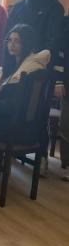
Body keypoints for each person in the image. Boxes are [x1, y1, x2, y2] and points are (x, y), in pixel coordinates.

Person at [5, 0, 64, 174]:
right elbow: (7, 35)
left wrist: (35, 62)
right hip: (14, 66)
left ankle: (41, 156)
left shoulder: (55, 8)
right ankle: (9, 147)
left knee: (37, 111)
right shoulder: (19, 6)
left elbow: (52, 42)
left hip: (39, 69)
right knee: (12, 106)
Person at [0, 24, 50, 145]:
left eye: (17, 41)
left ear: (27, 43)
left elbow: (13, 105)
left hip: (16, 129)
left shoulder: (29, 70)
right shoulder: (13, 66)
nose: (12, 44)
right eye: (9, 40)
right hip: (12, 124)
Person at [55, 16, 69, 179]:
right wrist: (58, 81)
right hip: (67, 83)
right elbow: (59, 55)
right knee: (66, 126)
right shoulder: (65, 23)